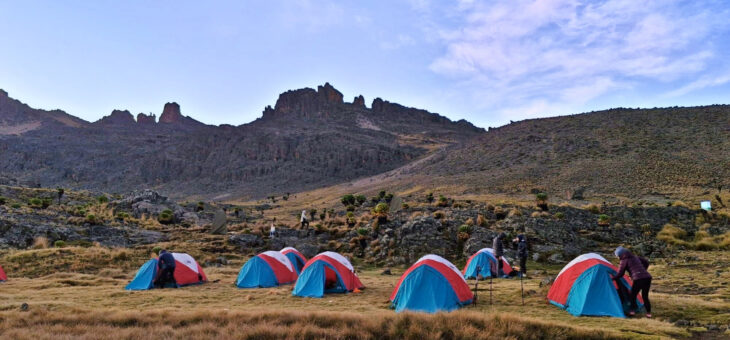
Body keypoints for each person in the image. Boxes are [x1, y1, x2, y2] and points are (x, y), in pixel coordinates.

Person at [611, 246, 652, 318]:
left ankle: (632, 311)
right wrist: (643, 270)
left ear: (620, 255)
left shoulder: (624, 261)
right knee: (645, 296)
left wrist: (613, 278)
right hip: (647, 277)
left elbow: (620, 273)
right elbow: (646, 262)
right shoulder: (635, 257)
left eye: (617, 256)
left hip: (638, 279)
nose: (618, 258)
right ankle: (648, 313)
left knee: (633, 295)